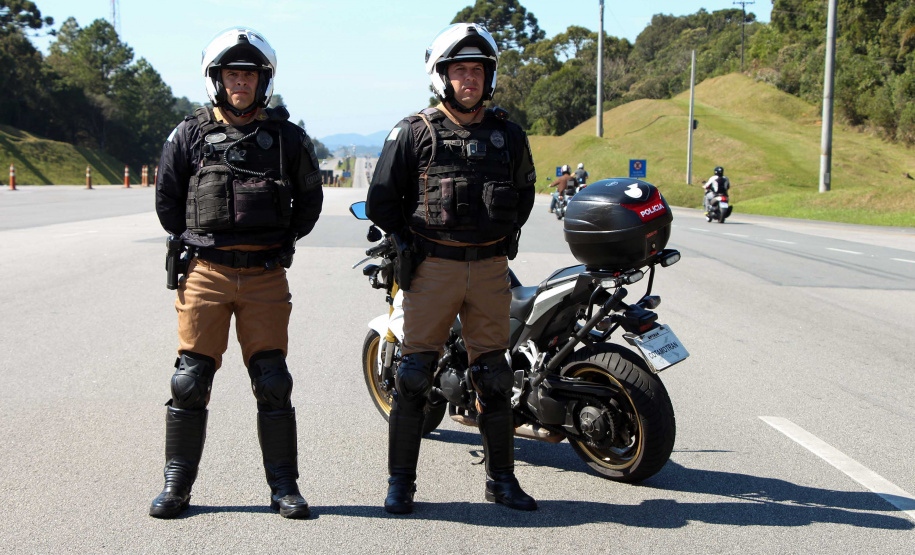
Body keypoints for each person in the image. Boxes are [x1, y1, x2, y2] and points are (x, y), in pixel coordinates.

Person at [150, 27, 323, 520]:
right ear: (217, 79)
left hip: (265, 275)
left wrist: (280, 240)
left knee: (273, 380)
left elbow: (309, 201)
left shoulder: (288, 138)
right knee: (190, 380)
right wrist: (200, 241)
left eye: (249, 74)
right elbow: (167, 201)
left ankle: (284, 487)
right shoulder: (189, 133)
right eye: (232, 74)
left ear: (263, 81)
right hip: (206, 272)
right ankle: (177, 485)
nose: (240, 83)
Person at [365, 22, 538, 514]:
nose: (470, 79)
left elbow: (524, 194)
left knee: (495, 377)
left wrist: (498, 237)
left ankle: (501, 482)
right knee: (413, 375)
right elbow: (381, 201)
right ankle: (401, 484)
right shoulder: (413, 131)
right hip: (432, 268)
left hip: (490, 269)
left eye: (478, 71)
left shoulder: (508, 135)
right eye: (460, 70)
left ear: (489, 77)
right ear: (441, 76)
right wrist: (408, 244)